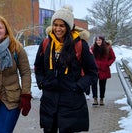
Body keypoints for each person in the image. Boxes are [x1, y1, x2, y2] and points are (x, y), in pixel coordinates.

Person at [34, 5, 98, 133]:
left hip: (71, 100)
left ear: (68, 27)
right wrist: (42, 82)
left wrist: (78, 86)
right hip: (49, 99)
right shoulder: (46, 44)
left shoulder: (80, 45)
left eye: (62, 25)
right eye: (55, 25)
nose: (58, 29)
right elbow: (38, 67)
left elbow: (92, 72)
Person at [91, 36, 116, 105]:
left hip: (104, 69)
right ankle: (95, 99)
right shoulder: (93, 48)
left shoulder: (108, 48)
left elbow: (113, 57)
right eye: (97, 40)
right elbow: (89, 57)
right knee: (94, 84)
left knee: (102, 85)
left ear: (102, 40)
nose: (98, 41)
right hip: (94, 69)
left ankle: (101, 98)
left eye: (99, 40)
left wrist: (107, 64)